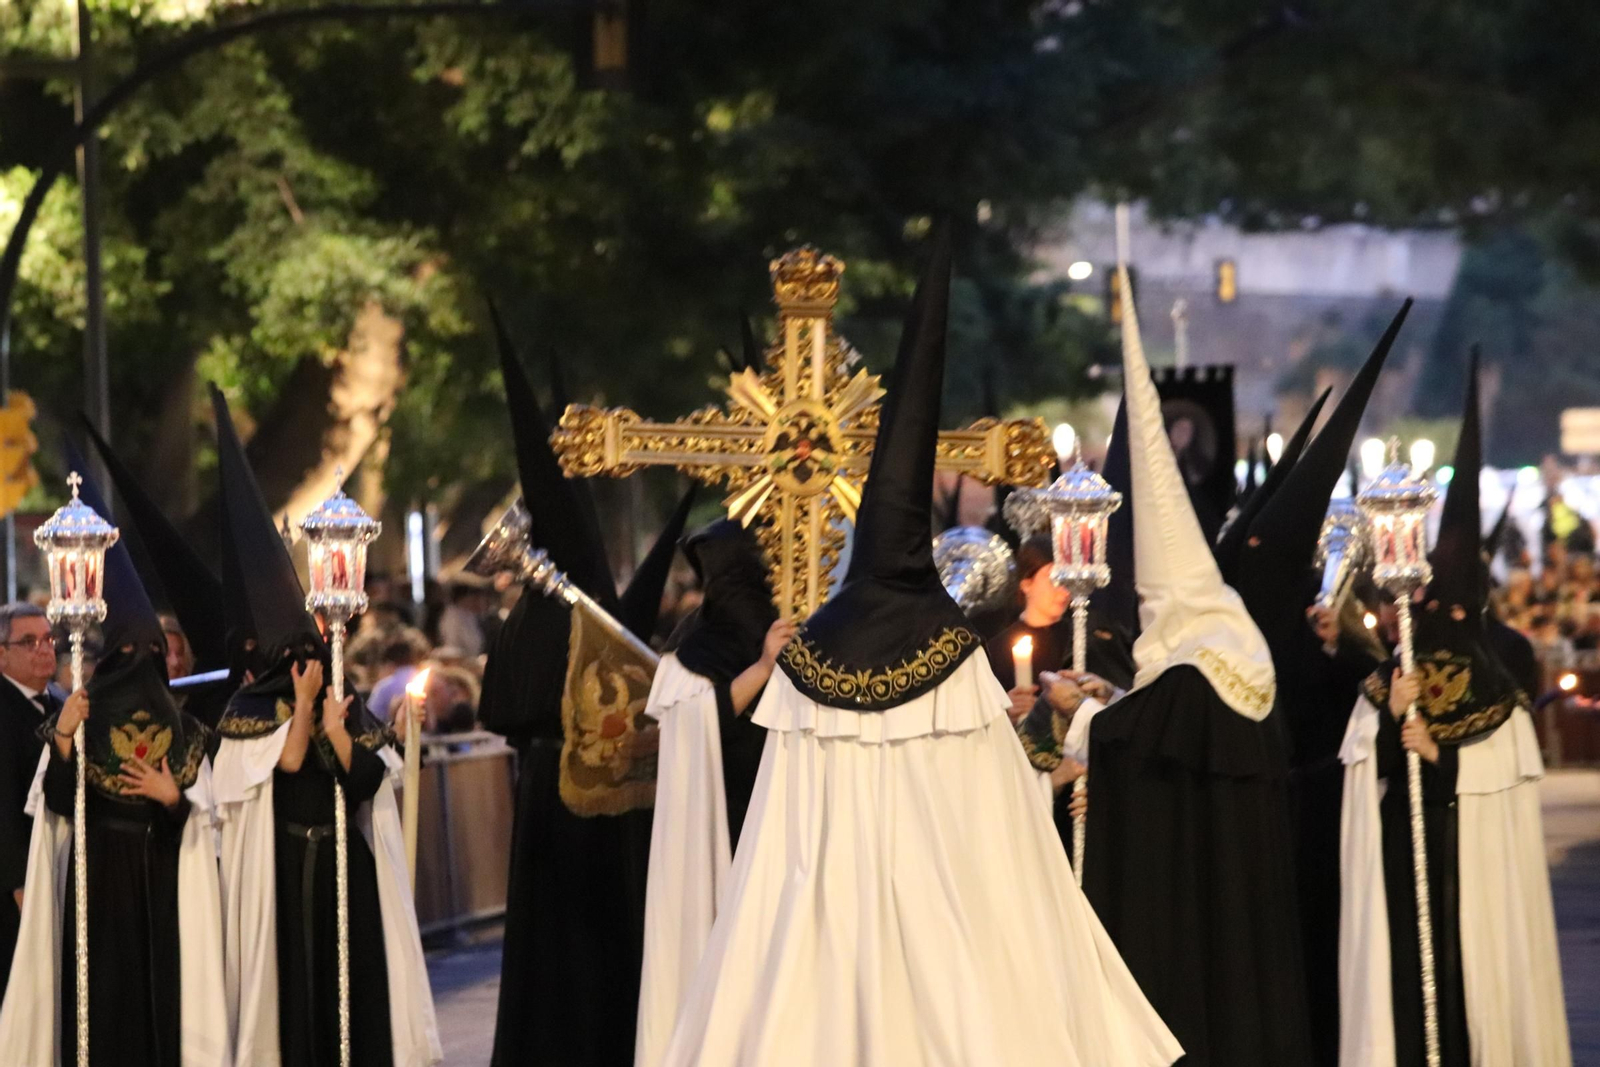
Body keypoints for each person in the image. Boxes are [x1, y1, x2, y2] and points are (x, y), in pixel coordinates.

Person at [659, 231, 1180, 1067]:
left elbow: (777, 827)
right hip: (945, 916)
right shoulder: (951, 651)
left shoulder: (813, 649)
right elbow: (994, 815)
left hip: (824, 922)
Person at [1082, 267, 1313, 1066]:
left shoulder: (1187, 674)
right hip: (1249, 900)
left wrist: (1085, 713)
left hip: (1189, 905)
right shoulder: (1240, 646)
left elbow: (1119, 741)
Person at [1338, 355, 1569, 1067]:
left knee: (1470, 977)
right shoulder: (1392, 671)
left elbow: (1503, 772)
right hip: (1402, 850)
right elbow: (1363, 767)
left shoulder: (1497, 680)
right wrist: (1390, 716)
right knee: (1409, 979)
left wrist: (1440, 755)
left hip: (1469, 856)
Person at [478, 308, 691, 1067]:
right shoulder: (558, 610)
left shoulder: (549, 614)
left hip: (556, 794)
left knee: (564, 958)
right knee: (590, 958)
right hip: (571, 800)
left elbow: (505, 709)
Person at [207, 386, 440, 1067]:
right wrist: (307, 705)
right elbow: (285, 762)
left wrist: (381, 727)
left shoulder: (343, 690)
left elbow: (365, 778)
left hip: (345, 865)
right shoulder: (251, 707)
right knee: (297, 999)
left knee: (352, 997)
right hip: (285, 870)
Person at [1221, 300, 1409, 1067]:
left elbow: (1375, 698)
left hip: (1320, 813)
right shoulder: (1236, 615)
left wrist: (1351, 646)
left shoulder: (1322, 617)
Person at [0, 455, 230, 1067]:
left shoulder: (184, 731)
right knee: (100, 1001)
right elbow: (57, 804)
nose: (145, 664)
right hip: (95, 876)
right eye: (132, 653)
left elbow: (198, 822)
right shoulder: (80, 716)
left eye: (154, 652)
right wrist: (65, 736)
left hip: (158, 877)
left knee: (158, 997)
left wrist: (171, 799)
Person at [634, 519, 787, 1067]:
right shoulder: (693, 645)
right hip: (721, 818)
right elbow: (691, 725)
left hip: (780, 816)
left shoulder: (791, 629)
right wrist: (763, 668)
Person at [0, 603, 55, 1002]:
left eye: (49, 639)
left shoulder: (60, 703)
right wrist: (20, 887)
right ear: (2, 654)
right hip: (13, 888)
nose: (44, 649)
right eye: (30, 641)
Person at [436, 582, 488, 660]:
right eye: (474, 598)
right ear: (463, 598)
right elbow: (452, 648)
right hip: (457, 662)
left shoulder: (470, 615)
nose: (479, 602)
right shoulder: (452, 616)